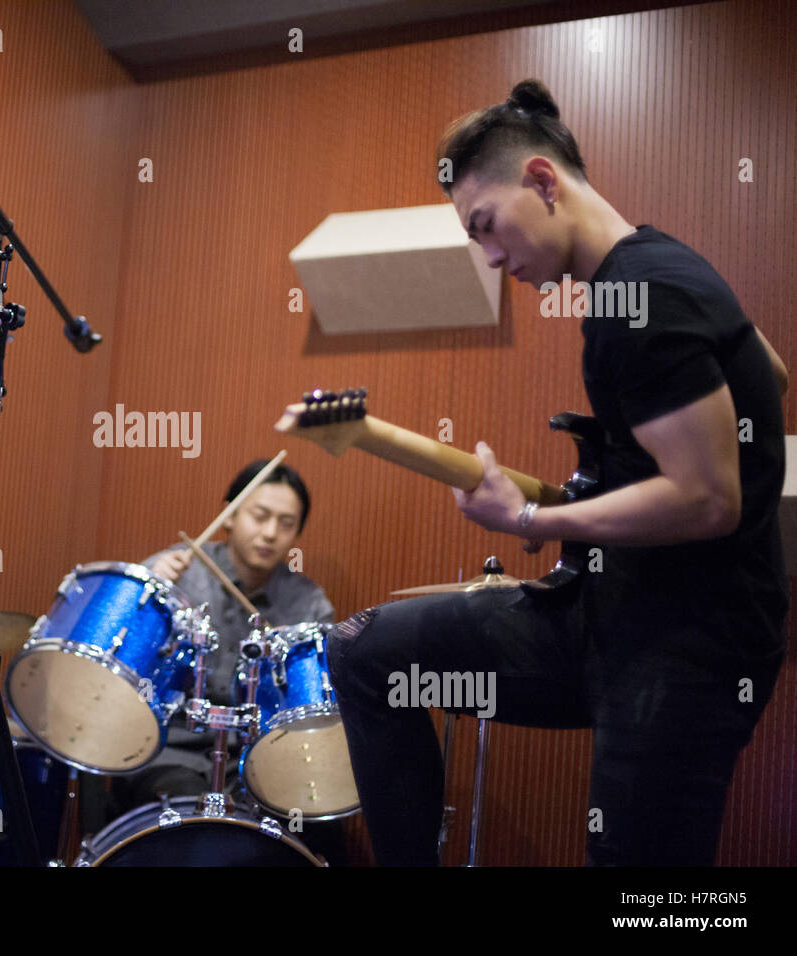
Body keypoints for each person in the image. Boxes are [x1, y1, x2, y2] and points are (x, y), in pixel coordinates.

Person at [326, 80, 788, 866]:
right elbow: (767, 372)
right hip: (605, 613)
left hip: (686, 646)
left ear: (541, 181)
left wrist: (532, 521)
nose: (492, 256)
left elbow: (709, 500)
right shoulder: (652, 273)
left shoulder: (639, 293)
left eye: (486, 227)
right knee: (366, 651)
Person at [100, 461, 335, 832]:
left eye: (286, 523)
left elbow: (320, 706)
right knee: (196, 826)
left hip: (263, 765)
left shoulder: (306, 603)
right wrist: (149, 586)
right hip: (170, 752)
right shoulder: (179, 570)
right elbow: (112, 653)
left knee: (315, 824)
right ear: (229, 514)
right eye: (260, 516)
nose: (270, 533)